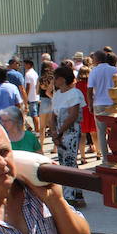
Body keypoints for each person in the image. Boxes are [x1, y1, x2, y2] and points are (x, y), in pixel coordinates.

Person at [49, 65, 86, 207]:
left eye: (56, 78)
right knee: (64, 161)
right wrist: (54, 132)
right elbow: (53, 115)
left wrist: (58, 132)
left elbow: (73, 115)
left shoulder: (75, 93)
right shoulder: (57, 94)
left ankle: (69, 196)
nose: (54, 81)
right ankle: (77, 193)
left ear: (62, 79)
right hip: (59, 130)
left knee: (69, 162)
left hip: (71, 131)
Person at [87, 52, 117, 162]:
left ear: (96, 60)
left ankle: (105, 158)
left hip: (99, 103)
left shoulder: (93, 71)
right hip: (113, 102)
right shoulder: (114, 69)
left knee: (101, 132)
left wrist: (90, 104)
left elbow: (89, 90)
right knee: (115, 129)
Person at [22, 58, 40, 128]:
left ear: (29, 65)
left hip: (31, 97)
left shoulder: (28, 74)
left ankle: (37, 129)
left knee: (34, 114)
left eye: (25, 64)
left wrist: (25, 97)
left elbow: (28, 86)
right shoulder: (35, 73)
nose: (24, 66)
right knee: (34, 114)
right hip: (35, 96)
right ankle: (35, 128)